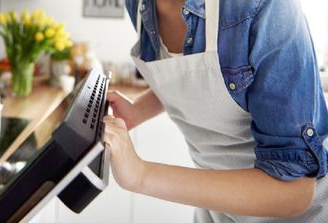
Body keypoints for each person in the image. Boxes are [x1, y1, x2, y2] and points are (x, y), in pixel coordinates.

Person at [103, 0, 328, 222]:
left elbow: (294, 192)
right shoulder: (139, 5)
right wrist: (137, 110)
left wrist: (141, 175)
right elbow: (197, 76)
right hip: (217, 209)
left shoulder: (265, 6)